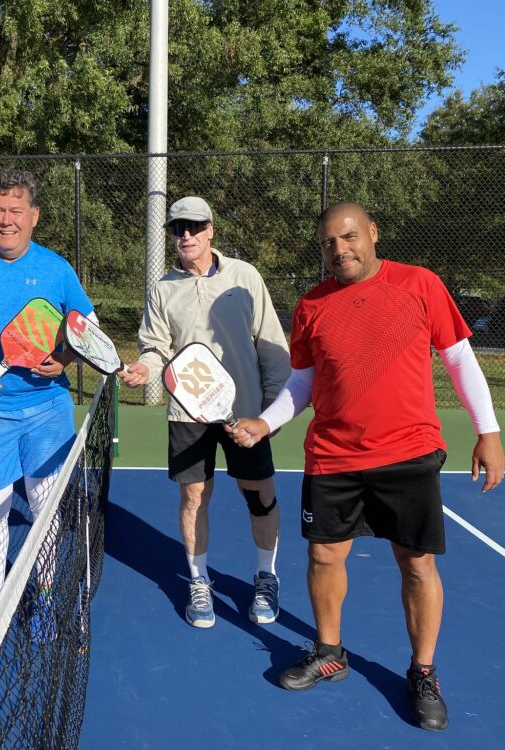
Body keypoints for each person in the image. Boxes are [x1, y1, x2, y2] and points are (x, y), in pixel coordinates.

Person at [227, 201, 505, 732]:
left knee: (417, 564)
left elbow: (459, 358)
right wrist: (265, 423)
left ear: (373, 233)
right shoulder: (312, 304)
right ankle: (329, 652)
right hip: (332, 456)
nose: (340, 249)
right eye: (329, 242)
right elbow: (303, 382)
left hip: (407, 452)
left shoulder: (420, 284)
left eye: (349, 237)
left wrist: (487, 432)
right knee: (325, 557)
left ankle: (422, 672)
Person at [118, 196, 291, 629]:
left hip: (246, 411)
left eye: (194, 226)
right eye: (178, 228)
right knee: (194, 496)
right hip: (187, 415)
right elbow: (156, 349)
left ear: (211, 229)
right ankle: (199, 581)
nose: (186, 235)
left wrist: (273, 407)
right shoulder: (162, 288)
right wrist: (145, 368)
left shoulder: (244, 276)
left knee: (259, 493)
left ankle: (266, 576)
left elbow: (270, 342)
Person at [0, 168, 95, 631]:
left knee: (44, 509)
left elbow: (85, 332)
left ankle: (44, 594)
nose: (7, 219)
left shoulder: (57, 269)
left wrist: (66, 359)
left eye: (16, 210)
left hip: (47, 410)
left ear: (34, 216)